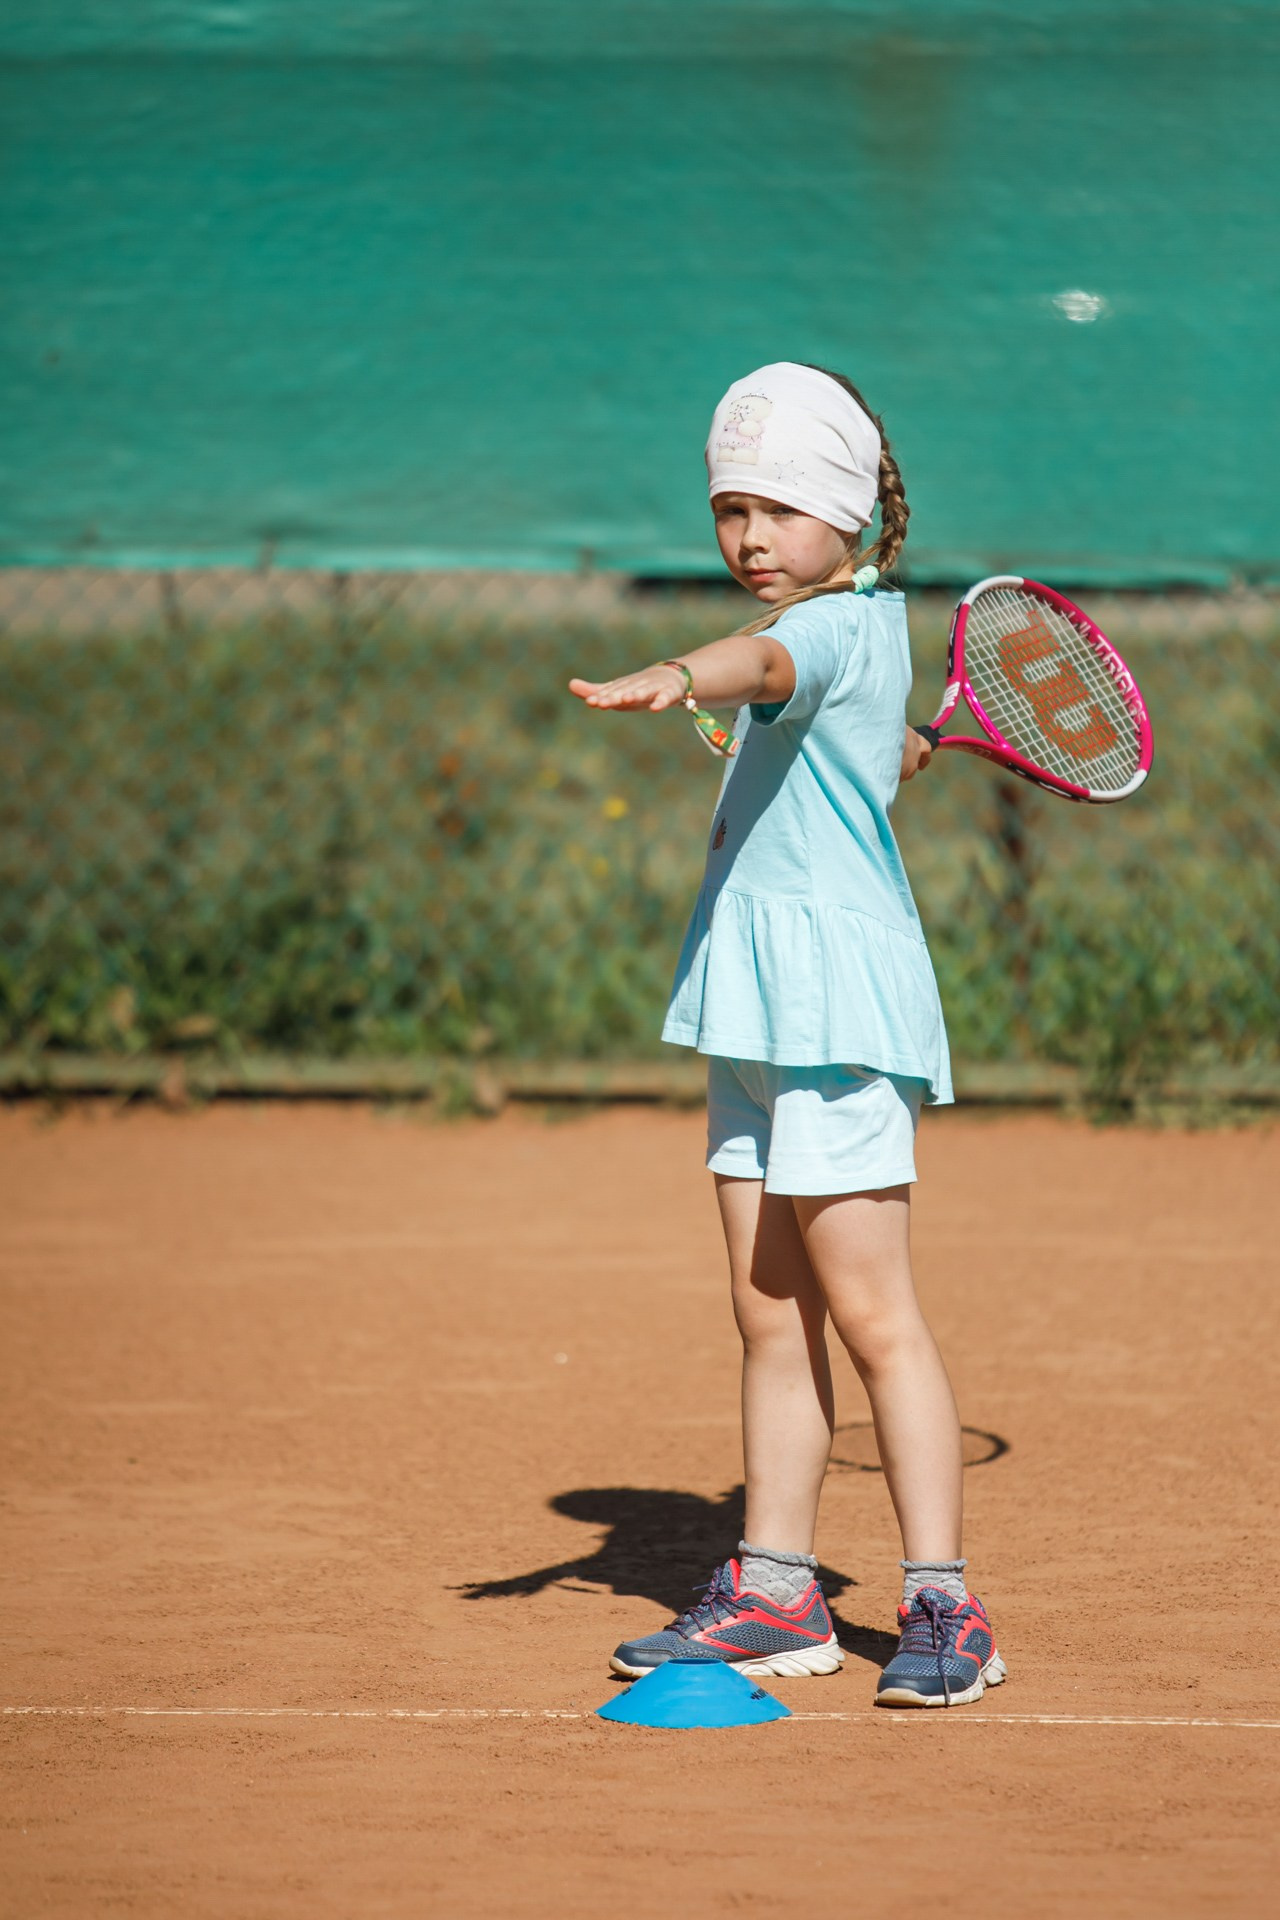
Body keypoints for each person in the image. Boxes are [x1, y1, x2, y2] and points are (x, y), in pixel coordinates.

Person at [568, 362, 1005, 1708]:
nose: (750, 538)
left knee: (875, 1318)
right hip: (756, 1014)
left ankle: (945, 1608)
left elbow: (762, 665)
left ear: (849, 514)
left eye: (778, 509)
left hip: (838, 1022)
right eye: (729, 511)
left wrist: (674, 672)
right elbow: (832, 736)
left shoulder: (825, 630)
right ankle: (775, 1593)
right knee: (768, 1314)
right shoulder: (851, 634)